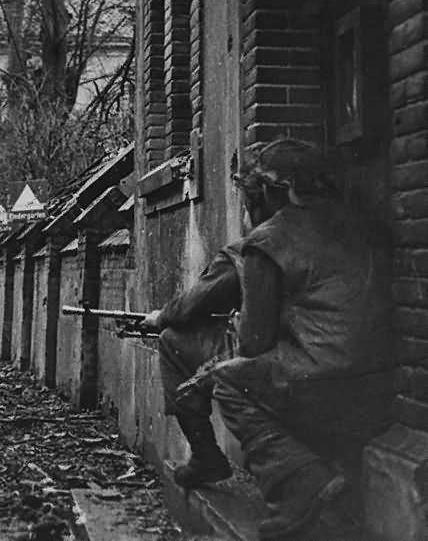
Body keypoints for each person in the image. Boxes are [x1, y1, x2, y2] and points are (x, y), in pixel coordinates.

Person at [208, 138, 394, 540]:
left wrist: (242, 321)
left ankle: (300, 486)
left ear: (280, 189)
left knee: (228, 379)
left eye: (257, 191)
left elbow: (253, 345)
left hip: (325, 389)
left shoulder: (268, 239)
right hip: (383, 387)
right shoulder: (366, 220)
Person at [152, 241, 244, 488]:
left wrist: (160, 317)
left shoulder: (249, 251)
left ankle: (205, 454)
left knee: (171, 341)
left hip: (268, 361)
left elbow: (191, 305)